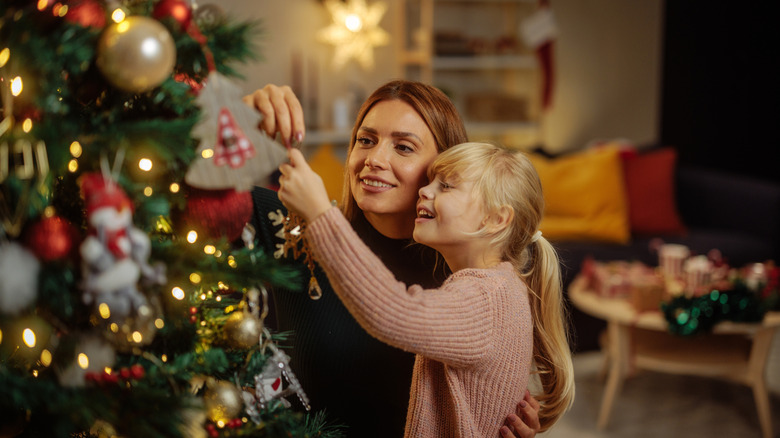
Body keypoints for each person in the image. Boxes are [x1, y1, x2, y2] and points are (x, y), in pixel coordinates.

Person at [244, 81, 541, 437]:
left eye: (403, 147)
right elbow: (174, 188)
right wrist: (236, 118)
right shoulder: (293, 226)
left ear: (444, 164)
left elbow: (397, 313)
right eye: (365, 140)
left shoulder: (470, 280)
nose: (374, 159)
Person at [277, 141, 575, 436]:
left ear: (496, 219)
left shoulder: (486, 298)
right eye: (430, 181)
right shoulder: (503, 286)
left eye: (446, 186)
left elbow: (395, 312)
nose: (424, 190)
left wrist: (319, 213)